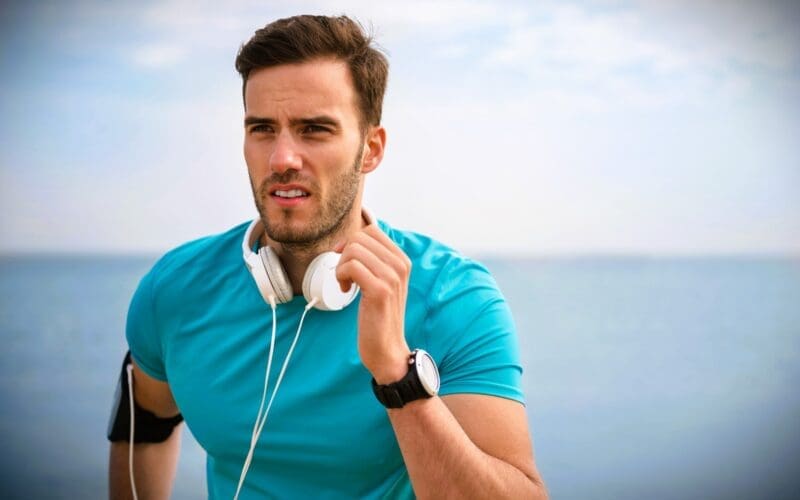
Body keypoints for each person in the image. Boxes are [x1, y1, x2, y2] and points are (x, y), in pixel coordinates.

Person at [108, 14, 547, 500]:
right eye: (262, 129)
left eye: (313, 129)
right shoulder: (176, 288)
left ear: (370, 149)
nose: (282, 159)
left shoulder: (455, 300)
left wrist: (398, 377)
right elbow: (144, 422)